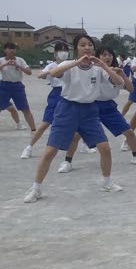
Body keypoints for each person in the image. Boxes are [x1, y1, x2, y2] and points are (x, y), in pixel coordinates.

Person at [24, 34, 126, 203]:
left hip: (89, 111)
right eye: (82, 45)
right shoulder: (68, 65)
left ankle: (107, 183)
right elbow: (54, 73)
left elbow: (120, 82)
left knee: (105, 148)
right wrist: (77, 62)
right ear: (76, 48)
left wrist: (103, 65)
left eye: (90, 45)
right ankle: (36, 188)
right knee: (50, 151)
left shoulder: (98, 68)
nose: (87, 48)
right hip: (67, 109)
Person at [21, 42, 70, 159]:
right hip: (56, 94)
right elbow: (40, 75)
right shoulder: (51, 65)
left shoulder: (70, 64)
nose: (63, 53)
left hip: (70, 93)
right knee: (46, 123)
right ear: (55, 53)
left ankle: (84, 145)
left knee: (77, 122)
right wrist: (49, 72)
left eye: (65, 50)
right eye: (61, 50)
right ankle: (29, 147)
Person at [0, 41, 37, 133]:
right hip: (4, 86)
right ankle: (19, 124)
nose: (11, 50)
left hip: (17, 86)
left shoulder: (20, 60)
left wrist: (18, 66)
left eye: (13, 48)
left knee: (25, 109)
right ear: (5, 50)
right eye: (9, 48)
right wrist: (5, 64)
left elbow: (29, 72)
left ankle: (34, 130)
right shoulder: (1, 60)